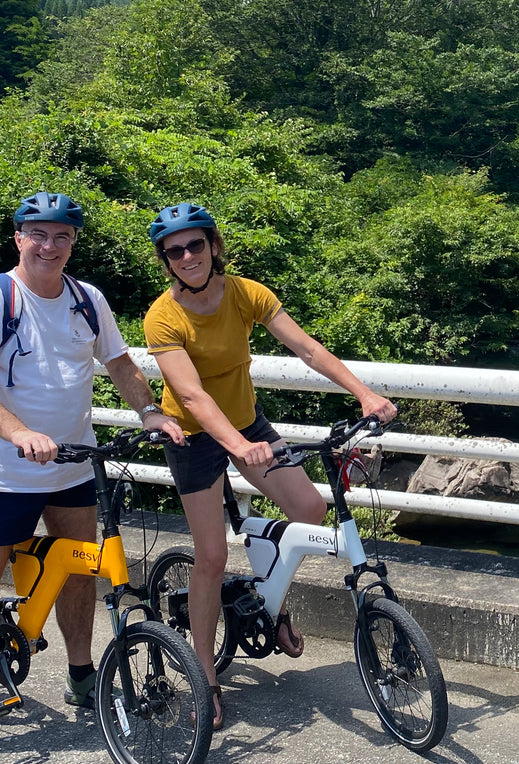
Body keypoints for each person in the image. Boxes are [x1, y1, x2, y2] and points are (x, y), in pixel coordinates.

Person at [0, 192, 184, 764]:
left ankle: (82, 674)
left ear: (73, 242)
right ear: (18, 237)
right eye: (38, 234)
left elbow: (118, 363)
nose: (50, 245)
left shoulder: (87, 300)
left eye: (62, 236)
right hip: (4, 472)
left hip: (71, 465)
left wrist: (150, 412)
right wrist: (17, 432)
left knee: (82, 572)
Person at [142, 202, 397, 730]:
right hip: (194, 437)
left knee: (308, 506)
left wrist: (365, 393)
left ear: (213, 246)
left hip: (247, 424)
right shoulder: (162, 316)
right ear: (166, 261)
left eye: (195, 244)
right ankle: (205, 679)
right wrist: (237, 445)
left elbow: (305, 348)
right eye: (175, 250)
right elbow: (189, 395)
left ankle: (271, 600)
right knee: (210, 557)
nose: (187, 256)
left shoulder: (245, 292)